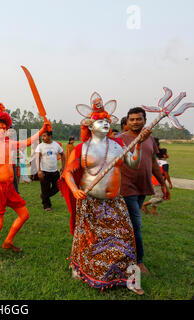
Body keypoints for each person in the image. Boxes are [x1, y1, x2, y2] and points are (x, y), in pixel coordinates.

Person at [60, 92, 147, 295]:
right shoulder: (81, 148)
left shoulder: (118, 146)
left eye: (108, 121)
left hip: (115, 201)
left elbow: (133, 164)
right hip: (90, 201)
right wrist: (75, 190)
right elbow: (68, 173)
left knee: (125, 236)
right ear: (91, 126)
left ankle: (127, 277)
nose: (106, 124)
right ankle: (79, 268)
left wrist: (139, 143)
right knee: (88, 239)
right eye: (101, 122)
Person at [0, 97, 50, 263]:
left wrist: (42, 130)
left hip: (9, 187)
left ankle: (8, 242)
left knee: (24, 215)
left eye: (5, 127)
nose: (3, 130)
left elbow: (28, 141)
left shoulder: (10, 143)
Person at [119, 107, 170, 275]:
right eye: (132, 119)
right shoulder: (120, 140)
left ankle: (123, 253)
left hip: (143, 187)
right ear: (127, 122)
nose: (135, 122)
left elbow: (154, 163)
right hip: (126, 187)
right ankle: (138, 262)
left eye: (138, 119)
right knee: (136, 224)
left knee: (130, 224)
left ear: (145, 120)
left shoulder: (149, 140)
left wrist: (163, 184)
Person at [35, 130, 65, 212]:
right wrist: (39, 170)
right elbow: (37, 158)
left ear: (50, 136)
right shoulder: (40, 146)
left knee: (58, 187)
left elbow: (63, 154)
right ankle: (46, 206)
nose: (43, 138)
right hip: (44, 172)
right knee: (45, 188)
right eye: (42, 136)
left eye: (44, 136)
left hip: (55, 171)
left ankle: (44, 196)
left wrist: (63, 166)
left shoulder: (56, 145)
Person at [142, 148, 173, 215]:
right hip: (158, 182)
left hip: (153, 180)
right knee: (160, 197)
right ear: (164, 155)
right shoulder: (165, 163)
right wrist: (170, 183)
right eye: (167, 153)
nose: (168, 154)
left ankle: (153, 211)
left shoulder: (157, 161)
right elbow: (166, 174)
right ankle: (144, 204)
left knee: (155, 196)